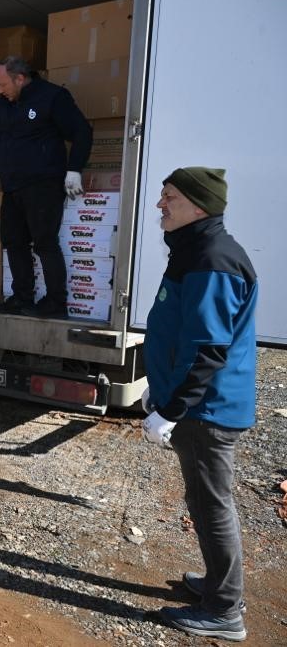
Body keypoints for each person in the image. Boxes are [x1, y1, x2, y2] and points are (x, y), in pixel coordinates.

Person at [141, 167, 255, 642]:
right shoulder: (193, 251)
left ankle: (225, 609)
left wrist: (173, 408)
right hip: (193, 404)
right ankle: (217, 584)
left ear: (198, 206)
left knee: (211, 506)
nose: (160, 205)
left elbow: (208, 348)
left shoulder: (211, 258)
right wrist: (159, 389)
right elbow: (180, 331)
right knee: (203, 501)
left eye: (169, 197)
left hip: (207, 410)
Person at [0, 55, 93, 318]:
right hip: (13, 186)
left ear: (20, 78)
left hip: (43, 184)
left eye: (3, 85)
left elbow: (82, 131)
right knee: (13, 240)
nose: (0, 91)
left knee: (44, 242)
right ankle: (22, 298)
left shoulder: (52, 97)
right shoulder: (4, 103)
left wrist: (74, 169)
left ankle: (56, 302)